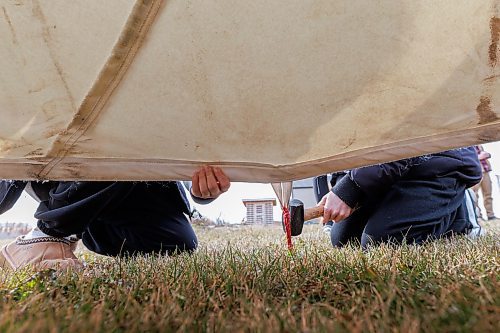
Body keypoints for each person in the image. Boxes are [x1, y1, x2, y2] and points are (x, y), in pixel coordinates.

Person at [0, 166, 230, 270]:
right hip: (77, 162)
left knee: (179, 242)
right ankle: (44, 238)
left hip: (145, 186)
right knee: (121, 146)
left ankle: (75, 225)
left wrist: (202, 192)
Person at [317, 147, 483, 248]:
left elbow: (406, 140)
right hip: (386, 169)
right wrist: (342, 186)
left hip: (434, 165)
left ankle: (459, 212)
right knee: (343, 241)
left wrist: (351, 188)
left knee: (381, 241)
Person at [472, 145, 497, 220]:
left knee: (488, 195)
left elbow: (485, 154)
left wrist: (488, 154)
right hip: (475, 172)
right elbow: (468, 158)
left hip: (485, 171)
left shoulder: (479, 144)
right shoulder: (467, 145)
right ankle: (478, 215)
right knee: (474, 195)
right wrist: (479, 157)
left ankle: (490, 215)